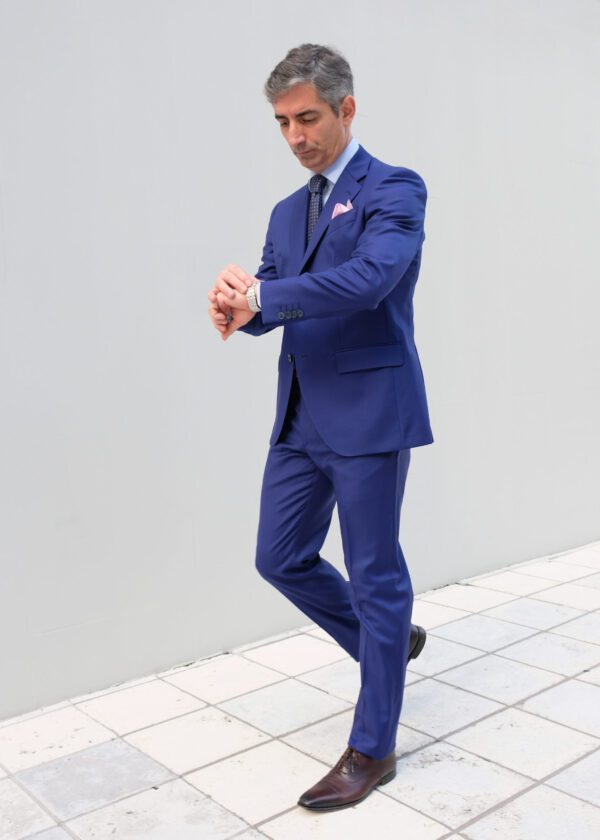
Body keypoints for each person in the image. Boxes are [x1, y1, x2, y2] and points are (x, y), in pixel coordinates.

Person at [207, 43, 433, 811]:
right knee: (280, 557)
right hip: (301, 415)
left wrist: (270, 296)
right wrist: (241, 301)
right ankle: (389, 647)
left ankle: (373, 747)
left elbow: (371, 281)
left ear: (347, 109)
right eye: (282, 124)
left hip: (370, 412)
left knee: (375, 575)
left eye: (308, 118)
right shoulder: (286, 209)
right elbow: (276, 304)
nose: (296, 136)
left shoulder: (394, 187)